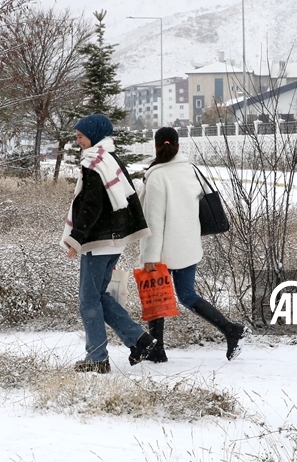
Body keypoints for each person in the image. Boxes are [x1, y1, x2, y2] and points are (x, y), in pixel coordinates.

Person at [139, 127, 245, 362]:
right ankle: (230, 329)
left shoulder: (156, 176)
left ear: (155, 146)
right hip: (187, 246)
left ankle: (157, 350)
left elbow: (154, 221)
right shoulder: (191, 170)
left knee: (157, 297)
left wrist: (150, 256)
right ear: (178, 146)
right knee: (187, 295)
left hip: (163, 250)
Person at [61, 114, 156, 374]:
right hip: (114, 241)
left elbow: (91, 207)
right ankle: (140, 340)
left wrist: (76, 239)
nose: (77, 140)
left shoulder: (95, 163)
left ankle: (97, 358)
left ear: (94, 133)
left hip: (100, 242)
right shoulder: (110, 159)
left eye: (81, 135)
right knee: (99, 296)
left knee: (87, 300)